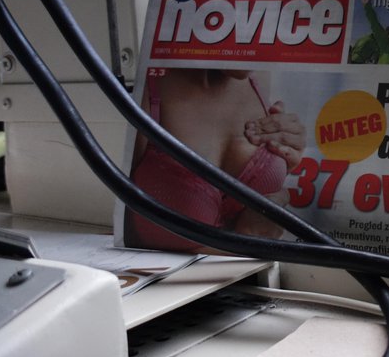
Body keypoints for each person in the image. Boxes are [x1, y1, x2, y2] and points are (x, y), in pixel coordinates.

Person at [124, 68, 305, 252]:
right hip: (186, 280)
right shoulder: (144, 94)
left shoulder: (260, 79)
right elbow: (113, 241)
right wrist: (247, 241)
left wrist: (287, 161)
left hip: (266, 277)